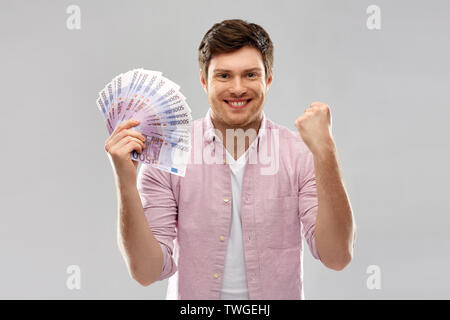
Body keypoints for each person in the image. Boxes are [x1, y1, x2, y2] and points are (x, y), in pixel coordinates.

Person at [104, 19, 356, 300]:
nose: (237, 88)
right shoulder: (170, 155)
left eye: (250, 75)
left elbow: (337, 257)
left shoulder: (299, 154)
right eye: (223, 76)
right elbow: (146, 272)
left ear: (268, 79)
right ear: (204, 80)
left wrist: (326, 152)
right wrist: (126, 181)